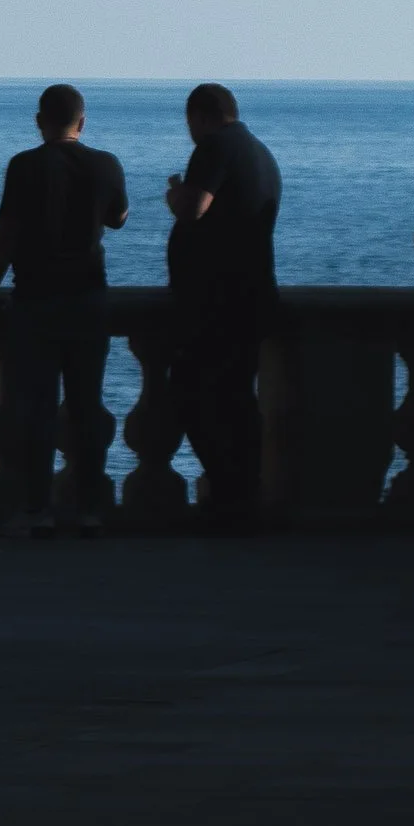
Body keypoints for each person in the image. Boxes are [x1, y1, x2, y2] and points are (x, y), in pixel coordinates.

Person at [0, 84, 129, 540]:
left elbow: (5, 232)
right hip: (89, 301)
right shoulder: (106, 164)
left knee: (36, 411)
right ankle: (89, 510)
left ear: (40, 121)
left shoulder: (26, 166)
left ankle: (37, 508)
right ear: (82, 123)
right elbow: (118, 219)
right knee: (86, 408)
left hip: (36, 301)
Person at [164, 82, 282, 532]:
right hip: (251, 297)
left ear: (199, 117)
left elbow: (194, 208)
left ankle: (228, 494)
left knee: (193, 396)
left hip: (217, 302)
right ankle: (241, 496)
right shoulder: (260, 151)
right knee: (236, 401)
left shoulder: (215, 146)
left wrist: (174, 193)